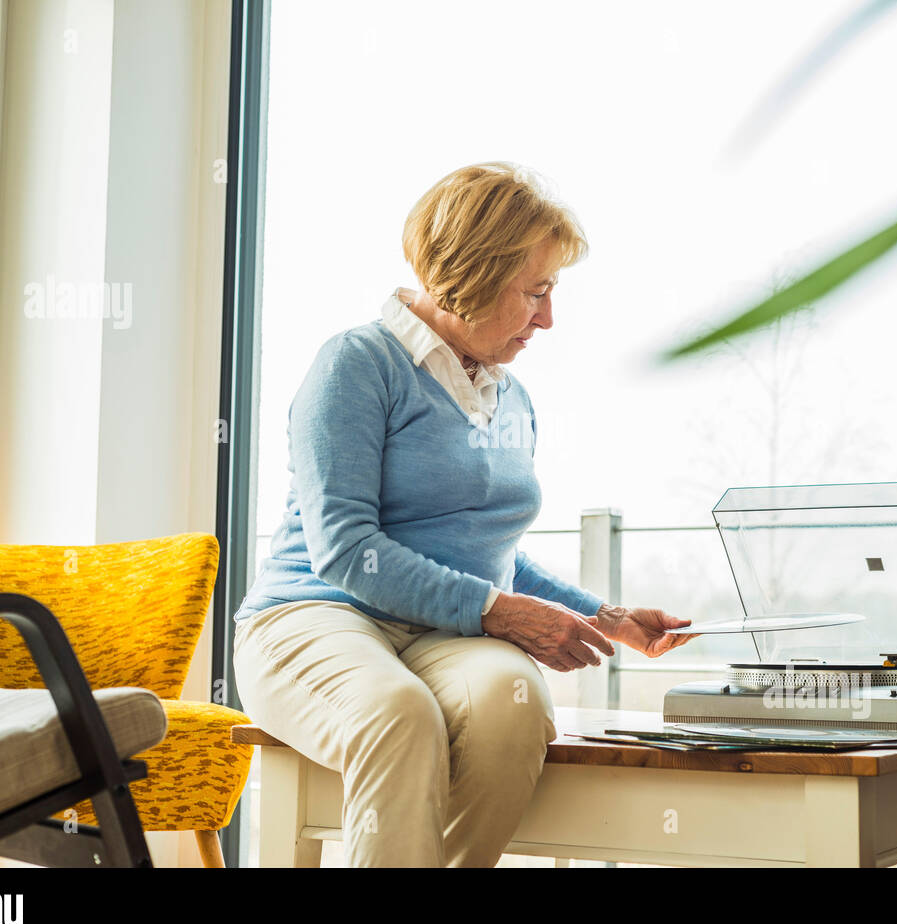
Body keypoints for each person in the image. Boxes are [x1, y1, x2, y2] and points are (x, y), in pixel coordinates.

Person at [233, 161, 696, 867]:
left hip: (441, 631)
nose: (547, 317)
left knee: (512, 706)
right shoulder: (356, 365)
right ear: (476, 274)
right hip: (316, 613)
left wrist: (608, 617)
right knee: (399, 712)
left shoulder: (510, 398)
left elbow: (491, 558)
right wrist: (499, 612)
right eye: (535, 292)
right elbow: (346, 549)